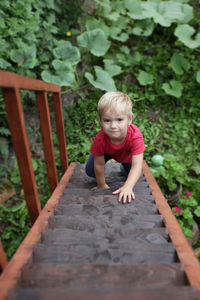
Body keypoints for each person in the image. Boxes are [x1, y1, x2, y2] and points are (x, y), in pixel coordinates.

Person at [85, 91, 145, 204]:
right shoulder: (100, 138)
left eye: (119, 120)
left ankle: (123, 168)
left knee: (132, 175)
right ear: (100, 120)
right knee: (90, 170)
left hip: (127, 156)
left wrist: (128, 186)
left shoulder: (135, 136)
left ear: (130, 119)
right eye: (107, 120)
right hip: (107, 152)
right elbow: (99, 163)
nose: (113, 126)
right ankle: (99, 178)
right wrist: (101, 184)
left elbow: (137, 165)